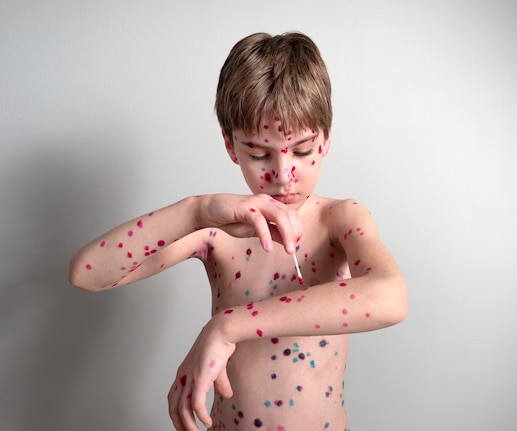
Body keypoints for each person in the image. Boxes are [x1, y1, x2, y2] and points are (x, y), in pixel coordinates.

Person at [69, 32, 408, 431]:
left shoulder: (339, 220)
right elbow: (88, 274)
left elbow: (390, 298)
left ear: (326, 140)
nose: (283, 175)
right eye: (259, 153)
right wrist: (194, 212)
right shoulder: (217, 231)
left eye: (301, 150)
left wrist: (227, 326)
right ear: (231, 147)